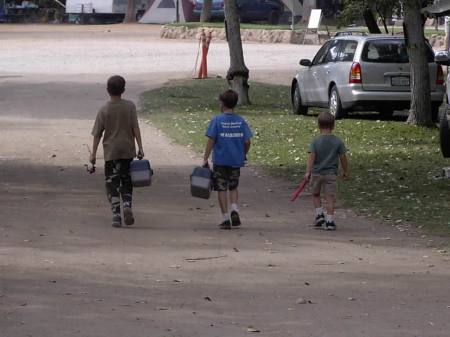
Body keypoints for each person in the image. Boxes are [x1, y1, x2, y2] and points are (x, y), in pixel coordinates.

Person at [90, 75, 144, 228]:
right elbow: (135, 128)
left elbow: (97, 134)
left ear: (108, 90)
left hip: (111, 152)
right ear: (124, 90)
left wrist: (93, 154)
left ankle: (116, 214)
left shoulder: (104, 109)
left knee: (112, 183)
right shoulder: (130, 107)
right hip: (127, 150)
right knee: (126, 180)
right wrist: (140, 147)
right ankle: (127, 204)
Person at [203, 90, 252, 230]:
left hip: (220, 160)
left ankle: (225, 218)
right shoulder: (240, 121)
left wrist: (205, 157)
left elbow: (211, 140)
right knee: (233, 186)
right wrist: (243, 154)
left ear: (223, 104)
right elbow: (248, 141)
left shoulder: (217, 120)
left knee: (221, 189)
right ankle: (234, 209)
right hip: (236, 160)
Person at [304, 112, 348, 231]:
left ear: (318, 126)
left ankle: (319, 215)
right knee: (330, 197)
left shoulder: (315, 141)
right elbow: (343, 157)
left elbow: (311, 156)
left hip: (317, 173)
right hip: (331, 174)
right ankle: (329, 221)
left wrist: (308, 172)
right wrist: (345, 171)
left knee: (315, 194)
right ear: (333, 126)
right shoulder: (338, 141)